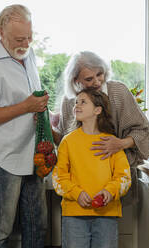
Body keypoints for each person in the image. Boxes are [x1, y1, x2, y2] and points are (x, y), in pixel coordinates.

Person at [0, 4, 48, 248]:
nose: (26, 43)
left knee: (37, 228)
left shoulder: (28, 54)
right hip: (5, 160)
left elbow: (31, 100)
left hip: (33, 155)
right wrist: (26, 107)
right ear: (1, 33)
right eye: (19, 39)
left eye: (29, 36)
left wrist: (41, 112)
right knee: (0, 233)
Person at [52, 51, 149, 204]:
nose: (97, 82)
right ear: (76, 80)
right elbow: (63, 140)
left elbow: (144, 131)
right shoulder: (69, 101)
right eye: (89, 79)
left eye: (100, 74)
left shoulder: (118, 92)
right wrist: (46, 123)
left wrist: (120, 144)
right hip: (80, 184)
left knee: (110, 223)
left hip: (114, 180)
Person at [52, 88, 131, 248]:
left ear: (97, 110)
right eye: (76, 102)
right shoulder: (68, 142)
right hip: (74, 215)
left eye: (83, 102)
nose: (76, 106)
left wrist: (109, 191)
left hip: (107, 215)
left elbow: (124, 177)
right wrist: (77, 193)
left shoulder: (111, 142)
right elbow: (59, 178)